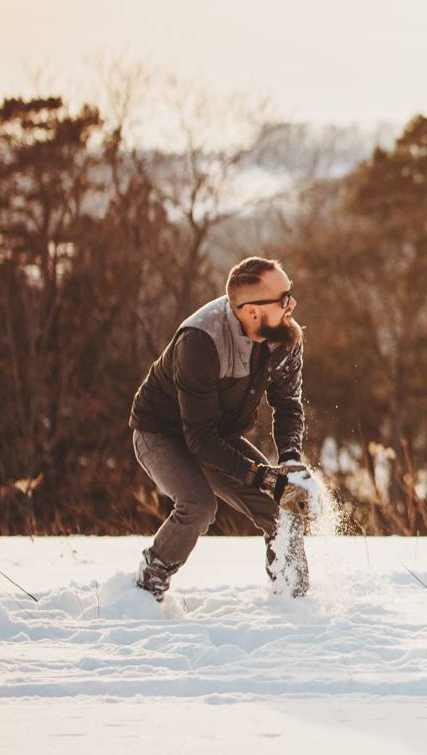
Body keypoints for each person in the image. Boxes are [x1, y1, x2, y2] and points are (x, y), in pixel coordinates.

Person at [128, 256, 313, 600]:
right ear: (251, 311)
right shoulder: (201, 340)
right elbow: (199, 440)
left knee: (282, 506)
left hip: (216, 433)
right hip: (160, 432)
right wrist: (261, 477)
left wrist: (289, 462)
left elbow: (288, 404)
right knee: (198, 506)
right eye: (284, 299)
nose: (292, 305)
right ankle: (146, 587)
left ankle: (292, 599)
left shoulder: (285, 337)